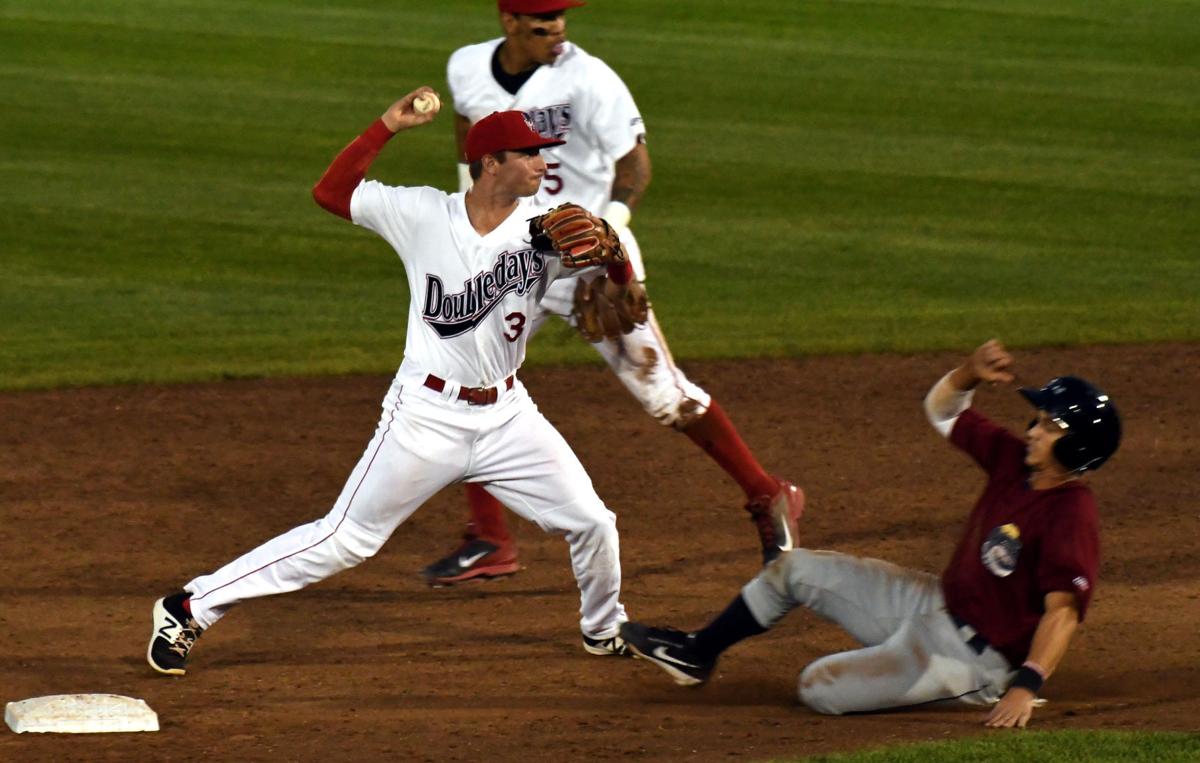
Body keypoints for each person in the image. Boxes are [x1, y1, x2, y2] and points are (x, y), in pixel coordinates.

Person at [146, 91, 643, 676]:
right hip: (425, 415)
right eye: (530, 154)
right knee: (345, 540)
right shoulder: (423, 214)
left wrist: (617, 268)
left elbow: (617, 280)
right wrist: (386, 126)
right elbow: (330, 193)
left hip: (509, 417)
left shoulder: (550, 233)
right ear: (490, 163)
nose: (543, 163)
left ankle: (603, 630)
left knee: (592, 522)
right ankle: (190, 606)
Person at [421, 0, 803, 586]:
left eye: (562, 19)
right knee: (464, 375)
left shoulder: (588, 78)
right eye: (544, 22)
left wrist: (611, 244)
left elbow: (636, 166)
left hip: (593, 260)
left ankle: (770, 494)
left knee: (666, 399)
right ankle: (491, 539)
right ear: (511, 23)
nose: (558, 30)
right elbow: (468, 147)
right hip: (512, 258)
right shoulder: (467, 67)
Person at [619, 340, 1121, 729]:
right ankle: (697, 653)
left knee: (817, 688)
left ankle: (975, 686)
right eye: (1039, 420)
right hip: (932, 602)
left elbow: (1064, 611)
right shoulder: (1015, 461)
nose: (1035, 430)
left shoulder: (1070, 513)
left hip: (973, 659)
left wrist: (1026, 684)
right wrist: (969, 372)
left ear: (1078, 449)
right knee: (793, 569)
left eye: (1052, 427)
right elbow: (943, 410)